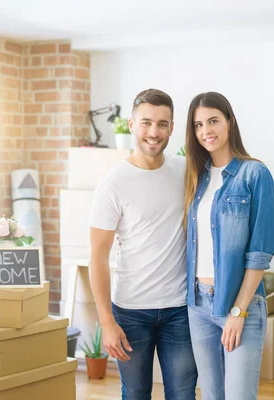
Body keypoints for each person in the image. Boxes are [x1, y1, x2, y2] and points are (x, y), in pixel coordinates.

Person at [89, 89, 198, 400]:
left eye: (162, 124)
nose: (154, 132)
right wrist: (107, 322)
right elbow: (97, 257)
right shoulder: (112, 185)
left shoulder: (185, 169)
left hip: (179, 308)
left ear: (172, 127)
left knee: (182, 394)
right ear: (131, 124)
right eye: (146, 122)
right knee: (136, 393)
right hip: (131, 311)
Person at [183, 91, 274, 400]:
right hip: (198, 306)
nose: (206, 131)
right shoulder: (196, 177)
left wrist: (238, 311)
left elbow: (260, 252)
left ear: (229, 123)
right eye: (198, 125)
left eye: (213, 121)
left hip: (241, 306)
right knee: (211, 396)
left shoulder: (255, 173)